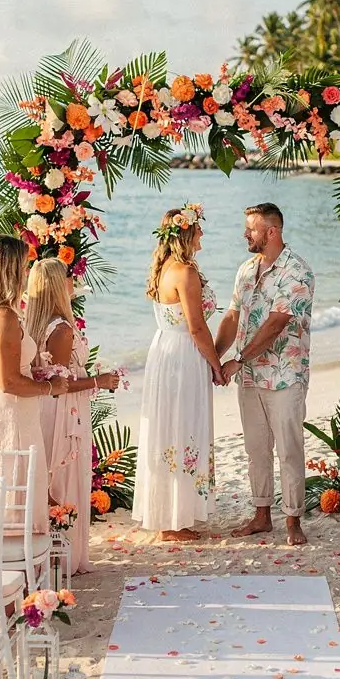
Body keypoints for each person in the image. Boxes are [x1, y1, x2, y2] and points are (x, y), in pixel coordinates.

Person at [216, 203, 314, 547]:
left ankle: (293, 519)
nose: (245, 234)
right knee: (256, 449)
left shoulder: (297, 272)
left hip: (284, 376)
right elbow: (232, 316)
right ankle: (261, 515)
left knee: (288, 449)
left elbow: (275, 325)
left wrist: (237, 360)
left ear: (271, 232)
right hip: (249, 377)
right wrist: (216, 357)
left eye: (251, 229)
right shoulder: (246, 269)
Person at [132, 204, 221, 541]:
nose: (202, 234)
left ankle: (172, 514)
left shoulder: (164, 268)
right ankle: (172, 521)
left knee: (172, 429)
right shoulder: (185, 272)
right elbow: (197, 328)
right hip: (183, 355)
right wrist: (216, 364)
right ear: (186, 232)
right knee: (182, 428)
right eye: (198, 228)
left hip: (165, 352)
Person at [0, 236, 61, 533]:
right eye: (24, 265)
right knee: (14, 489)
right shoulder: (3, 317)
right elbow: (9, 382)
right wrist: (50, 387)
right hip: (9, 414)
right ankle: (17, 568)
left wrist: (32, 375)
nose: (27, 272)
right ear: (10, 269)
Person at [26, 257, 119, 572]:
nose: (72, 282)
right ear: (56, 286)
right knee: (65, 476)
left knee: (53, 475)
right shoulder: (62, 330)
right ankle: (64, 556)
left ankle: (51, 553)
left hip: (45, 408)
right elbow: (62, 383)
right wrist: (100, 381)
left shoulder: (36, 325)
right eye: (67, 277)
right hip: (65, 409)